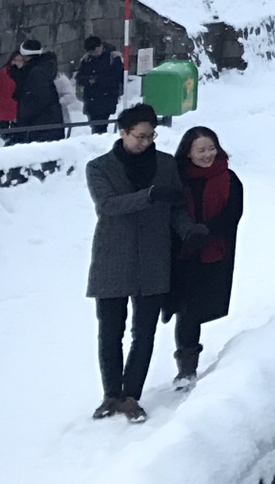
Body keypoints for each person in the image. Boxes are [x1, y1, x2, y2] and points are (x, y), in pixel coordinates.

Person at [87, 104, 199, 423]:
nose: (146, 142)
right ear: (122, 133)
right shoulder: (99, 167)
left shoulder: (165, 164)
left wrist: (189, 229)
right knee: (110, 331)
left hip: (154, 256)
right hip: (113, 257)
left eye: (151, 136)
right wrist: (149, 195)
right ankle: (111, 393)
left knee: (144, 332)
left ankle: (131, 395)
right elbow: (107, 205)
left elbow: (176, 207)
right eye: (140, 136)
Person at [167, 126, 243, 389]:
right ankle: (185, 367)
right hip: (181, 254)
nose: (208, 154)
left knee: (195, 310)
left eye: (211, 148)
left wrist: (206, 232)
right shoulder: (176, 178)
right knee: (184, 310)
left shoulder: (229, 179)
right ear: (188, 152)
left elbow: (232, 214)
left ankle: (188, 366)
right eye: (201, 150)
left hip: (213, 254)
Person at [9, 39, 66, 144]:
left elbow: (39, 99)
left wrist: (24, 116)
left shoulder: (36, 73)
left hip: (41, 126)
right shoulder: (41, 68)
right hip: (47, 124)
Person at [75, 36, 126, 135]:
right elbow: (79, 77)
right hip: (90, 97)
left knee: (101, 124)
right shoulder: (86, 60)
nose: (93, 54)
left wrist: (98, 81)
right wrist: (88, 81)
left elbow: (117, 77)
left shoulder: (112, 58)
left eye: (94, 51)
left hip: (106, 96)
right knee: (94, 124)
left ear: (100, 47)